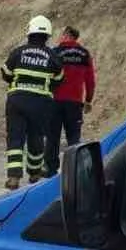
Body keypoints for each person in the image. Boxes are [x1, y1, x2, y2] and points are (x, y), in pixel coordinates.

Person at [0, 14, 63, 191]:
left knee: (15, 137)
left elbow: (5, 72)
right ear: (47, 35)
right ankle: (34, 173)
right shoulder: (52, 56)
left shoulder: (18, 52)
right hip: (41, 103)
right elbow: (59, 79)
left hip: (17, 100)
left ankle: (13, 177)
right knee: (36, 137)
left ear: (29, 32)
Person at [48, 26, 96, 174]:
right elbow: (90, 80)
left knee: (52, 135)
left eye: (62, 34)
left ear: (66, 35)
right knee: (74, 137)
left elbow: (48, 75)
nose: (60, 37)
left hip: (54, 100)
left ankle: (50, 169)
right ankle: (74, 171)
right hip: (75, 103)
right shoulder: (84, 54)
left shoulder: (55, 52)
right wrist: (88, 100)